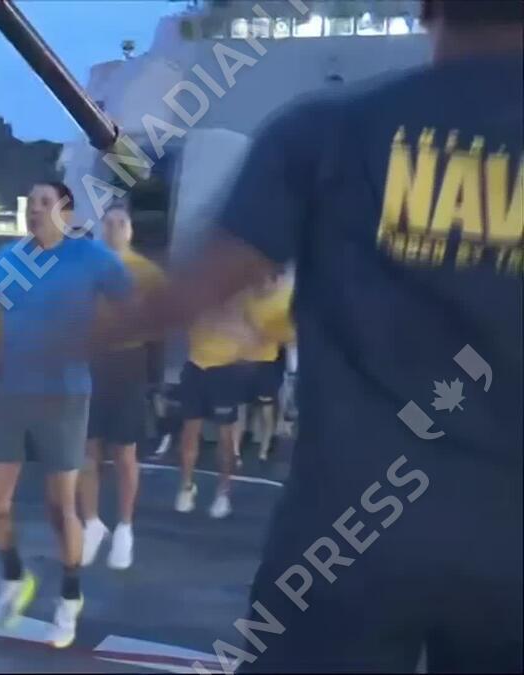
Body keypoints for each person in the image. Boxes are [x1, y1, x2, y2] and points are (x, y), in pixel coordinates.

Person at [102, 1, 522, 669]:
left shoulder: (329, 128)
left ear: (427, 9)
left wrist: (58, 327)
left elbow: (193, 290)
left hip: (349, 534)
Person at [0, 181, 130, 648]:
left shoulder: (90, 258)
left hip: (65, 396)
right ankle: (15, 577)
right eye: (29, 203)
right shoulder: (6, 260)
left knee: (59, 507)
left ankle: (69, 598)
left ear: (67, 213)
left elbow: (131, 305)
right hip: (12, 393)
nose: (34, 209)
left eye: (44, 203)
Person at [79, 203, 165, 570]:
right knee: (87, 451)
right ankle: (92, 523)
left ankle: (125, 528)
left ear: (130, 230)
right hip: (90, 363)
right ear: (102, 228)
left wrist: (154, 379)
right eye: (109, 222)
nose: (114, 228)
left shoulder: (148, 273)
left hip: (129, 367)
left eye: (121, 223)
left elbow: (160, 327)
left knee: (125, 454)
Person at [172, 299, 250, 519]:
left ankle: (223, 492)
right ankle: (186, 487)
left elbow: (245, 329)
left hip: (225, 371)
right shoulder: (197, 292)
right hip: (196, 368)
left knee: (225, 437)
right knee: (189, 433)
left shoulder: (237, 296)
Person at [237, 273, 294, 463]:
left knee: (266, 406)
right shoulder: (248, 297)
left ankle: (265, 447)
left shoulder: (285, 298)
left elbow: (290, 334)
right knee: (243, 405)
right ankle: (236, 448)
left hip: (272, 359)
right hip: (248, 358)